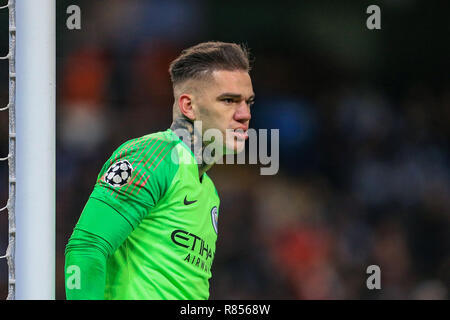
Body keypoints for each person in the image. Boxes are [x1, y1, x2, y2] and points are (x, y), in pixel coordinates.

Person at [64, 41, 255, 299]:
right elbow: (86, 248)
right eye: (229, 100)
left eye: (248, 102)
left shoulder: (208, 190)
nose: (244, 114)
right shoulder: (154, 156)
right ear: (189, 106)